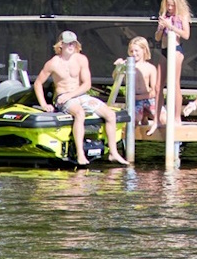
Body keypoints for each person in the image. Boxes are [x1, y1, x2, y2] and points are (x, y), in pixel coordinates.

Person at [33, 31, 128, 165]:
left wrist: (71, 95)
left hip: (80, 95)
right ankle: (80, 154)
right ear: (61, 44)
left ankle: (113, 153)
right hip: (63, 98)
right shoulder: (53, 63)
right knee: (79, 113)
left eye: (73, 43)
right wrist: (44, 104)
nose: (71, 46)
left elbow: (87, 84)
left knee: (110, 114)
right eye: (68, 43)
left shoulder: (81, 59)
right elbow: (38, 83)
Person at [155, 0, 192, 123]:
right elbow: (157, 37)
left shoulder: (182, 16)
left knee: (174, 84)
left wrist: (171, 26)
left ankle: (177, 117)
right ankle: (157, 117)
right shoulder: (164, 15)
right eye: (168, 5)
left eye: (172, 5)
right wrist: (161, 27)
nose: (170, 8)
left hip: (175, 50)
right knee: (158, 86)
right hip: (164, 49)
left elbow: (186, 35)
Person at [123, 36, 160, 136]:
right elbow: (115, 77)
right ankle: (129, 141)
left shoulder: (150, 68)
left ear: (144, 50)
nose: (134, 53)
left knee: (164, 118)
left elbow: (154, 91)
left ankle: (177, 142)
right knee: (133, 119)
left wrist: (140, 97)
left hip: (147, 98)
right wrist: (118, 67)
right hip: (134, 100)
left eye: (136, 51)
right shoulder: (127, 66)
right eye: (131, 51)